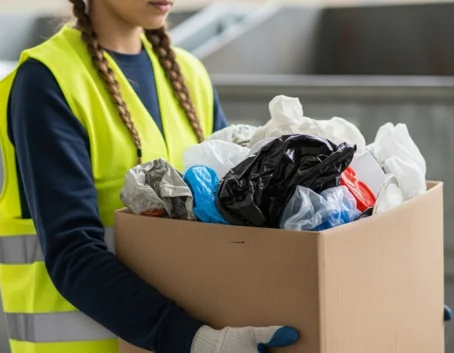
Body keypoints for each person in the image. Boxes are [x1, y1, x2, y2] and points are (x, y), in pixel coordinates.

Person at [0, 0, 299, 353]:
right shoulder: (49, 81)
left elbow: (229, 218)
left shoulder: (190, 77)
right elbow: (72, 251)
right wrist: (199, 341)